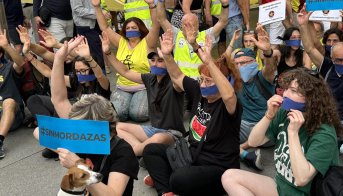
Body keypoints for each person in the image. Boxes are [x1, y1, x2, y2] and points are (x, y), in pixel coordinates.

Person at [142, 28, 242, 196]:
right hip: (190, 155)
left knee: (179, 179)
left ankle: (165, 179)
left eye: (209, 81)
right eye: (201, 79)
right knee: (151, 150)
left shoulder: (230, 105)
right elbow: (178, 76)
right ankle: (165, 191)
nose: (203, 85)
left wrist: (210, 62)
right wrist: (167, 55)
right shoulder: (199, 92)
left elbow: (229, 95)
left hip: (218, 167)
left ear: (224, 81)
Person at [34, 36, 138, 195]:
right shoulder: (83, 135)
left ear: (95, 127)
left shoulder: (122, 151)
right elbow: (58, 99)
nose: (75, 128)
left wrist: (77, 164)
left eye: (79, 126)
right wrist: (59, 58)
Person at [221, 67, 343, 196]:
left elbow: (302, 179)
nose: (285, 94)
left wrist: (293, 133)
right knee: (229, 176)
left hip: (304, 193)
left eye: (293, 91)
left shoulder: (324, 133)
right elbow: (253, 141)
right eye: (286, 89)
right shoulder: (285, 112)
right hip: (282, 187)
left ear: (312, 99)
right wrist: (268, 116)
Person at [101, 30, 185, 156]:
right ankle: (140, 150)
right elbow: (125, 72)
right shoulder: (150, 78)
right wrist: (108, 52)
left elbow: (178, 75)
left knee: (158, 139)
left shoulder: (175, 81)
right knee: (116, 127)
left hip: (172, 134)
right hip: (152, 130)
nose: (155, 63)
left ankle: (130, 153)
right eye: (153, 60)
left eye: (160, 61)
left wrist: (167, 56)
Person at [298, 7, 343, 143]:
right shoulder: (328, 67)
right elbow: (310, 49)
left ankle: (325, 141)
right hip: (329, 121)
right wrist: (303, 25)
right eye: (339, 60)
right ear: (332, 58)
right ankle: (322, 139)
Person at [92, 0, 159, 122]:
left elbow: (156, 25)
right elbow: (104, 28)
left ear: (140, 29)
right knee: (119, 114)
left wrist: (152, 5)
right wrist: (97, 7)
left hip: (143, 87)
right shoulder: (121, 42)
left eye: (134, 28)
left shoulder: (147, 42)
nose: (130, 30)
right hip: (123, 87)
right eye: (127, 28)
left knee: (137, 114)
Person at [156, 0, 229, 80]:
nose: (189, 27)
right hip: (181, 84)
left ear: (198, 25)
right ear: (181, 26)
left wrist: (225, 5)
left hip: (202, 84)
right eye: (185, 25)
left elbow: (222, 21)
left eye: (192, 24)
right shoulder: (177, 35)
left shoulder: (206, 35)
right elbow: (161, 19)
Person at [232, 24, 276, 170]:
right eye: (237, 64)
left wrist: (268, 52)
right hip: (244, 125)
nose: (240, 67)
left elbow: (270, 67)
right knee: (218, 133)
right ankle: (246, 155)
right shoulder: (236, 82)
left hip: (266, 126)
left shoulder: (263, 77)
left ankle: (240, 149)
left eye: (244, 63)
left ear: (254, 63)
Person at [69, 0, 105, 71]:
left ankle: (102, 83)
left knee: (100, 56)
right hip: (85, 28)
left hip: (96, 25)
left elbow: (97, 3)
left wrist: (102, 12)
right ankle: (98, 84)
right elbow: (77, 9)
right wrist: (98, 14)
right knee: (93, 59)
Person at [0, 29, 26, 158]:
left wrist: (6, 46)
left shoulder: (8, 68)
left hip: (12, 115)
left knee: (8, 101)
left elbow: (21, 63)